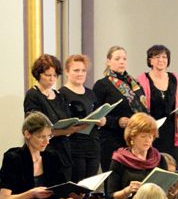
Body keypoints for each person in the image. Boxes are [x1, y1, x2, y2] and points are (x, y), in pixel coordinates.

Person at [0, 112, 84, 199]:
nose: (47, 142)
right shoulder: (14, 158)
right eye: (41, 137)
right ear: (27, 134)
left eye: (49, 136)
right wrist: (32, 193)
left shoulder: (52, 157)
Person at [24, 54, 82, 183]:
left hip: (64, 150)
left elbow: (67, 118)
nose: (52, 79)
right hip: (45, 150)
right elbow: (35, 127)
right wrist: (65, 132)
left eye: (55, 76)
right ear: (39, 74)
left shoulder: (59, 94)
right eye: (48, 75)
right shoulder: (33, 95)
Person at [93, 46, 148, 171]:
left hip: (134, 138)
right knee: (114, 178)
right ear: (108, 61)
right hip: (112, 139)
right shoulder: (102, 84)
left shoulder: (134, 84)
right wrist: (117, 121)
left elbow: (143, 107)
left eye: (124, 59)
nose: (122, 62)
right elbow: (96, 114)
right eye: (117, 59)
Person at [106, 112, 167, 199]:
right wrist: (127, 191)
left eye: (150, 136)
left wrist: (171, 192)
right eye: (143, 136)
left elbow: (164, 193)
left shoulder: (159, 159)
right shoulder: (120, 159)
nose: (147, 140)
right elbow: (112, 197)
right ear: (132, 137)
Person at [137, 45, 178, 160]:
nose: (161, 60)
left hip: (171, 132)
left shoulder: (175, 79)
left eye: (164, 57)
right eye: (157, 57)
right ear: (150, 60)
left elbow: (177, 104)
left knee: (171, 166)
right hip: (151, 131)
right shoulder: (143, 79)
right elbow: (140, 108)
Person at [62, 54, 104, 182]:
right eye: (76, 70)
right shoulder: (62, 94)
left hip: (93, 146)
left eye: (83, 70)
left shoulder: (90, 93)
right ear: (67, 72)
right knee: (76, 188)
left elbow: (100, 114)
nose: (80, 74)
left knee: (88, 189)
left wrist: (102, 120)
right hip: (74, 147)